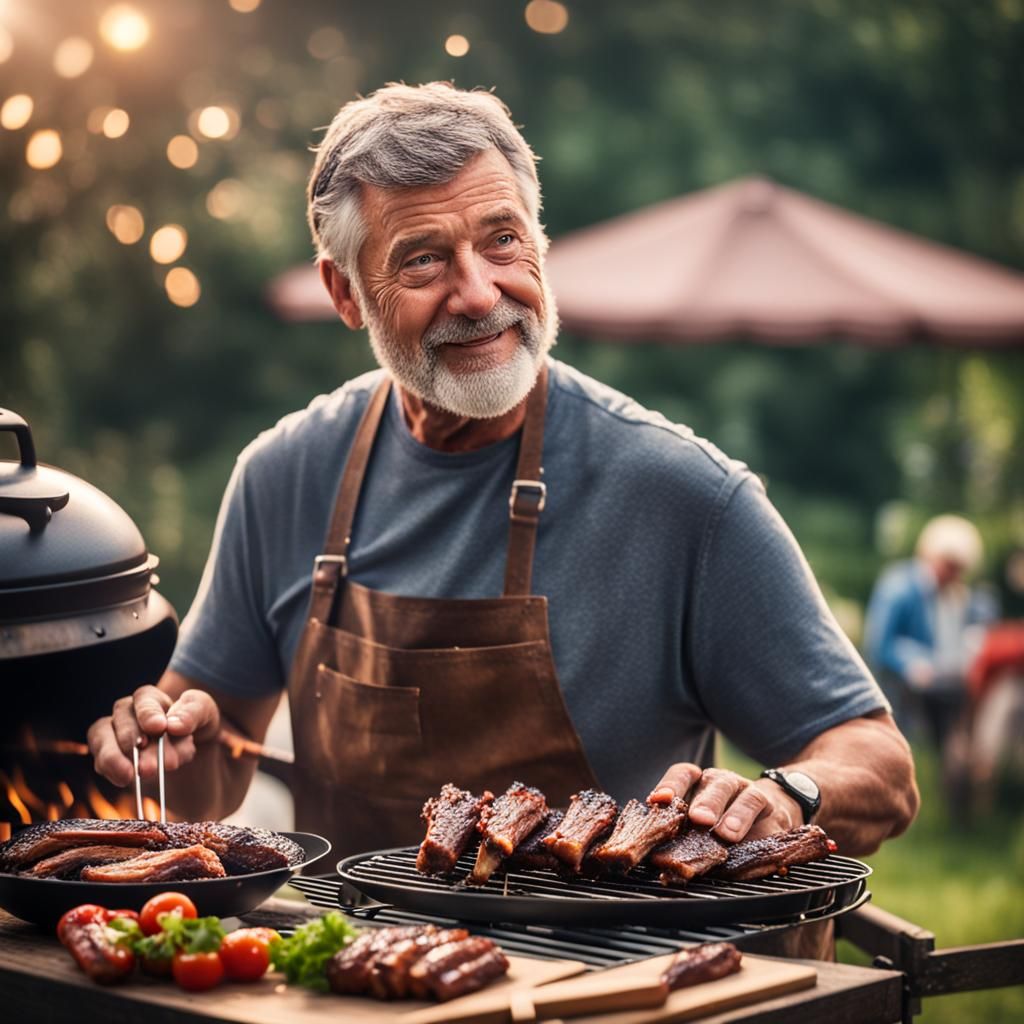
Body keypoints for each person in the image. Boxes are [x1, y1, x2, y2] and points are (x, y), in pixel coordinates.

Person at [88, 83, 917, 880]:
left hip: (610, 992)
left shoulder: (685, 497)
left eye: (502, 240)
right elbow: (211, 763)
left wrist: (786, 795)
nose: (479, 292)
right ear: (345, 292)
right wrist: (160, 751)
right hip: (362, 989)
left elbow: (878, 765)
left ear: (540, 242)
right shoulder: (284, 475)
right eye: (423, 261)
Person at [864, 514, 997, 756]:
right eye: (950, 565)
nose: (953, 574)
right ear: (930, 555)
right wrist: (911, 662)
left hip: (945, 681)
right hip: (903, 688)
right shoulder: (899, 586)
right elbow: (880, 644)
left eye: (959, 569)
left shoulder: (959, 596)